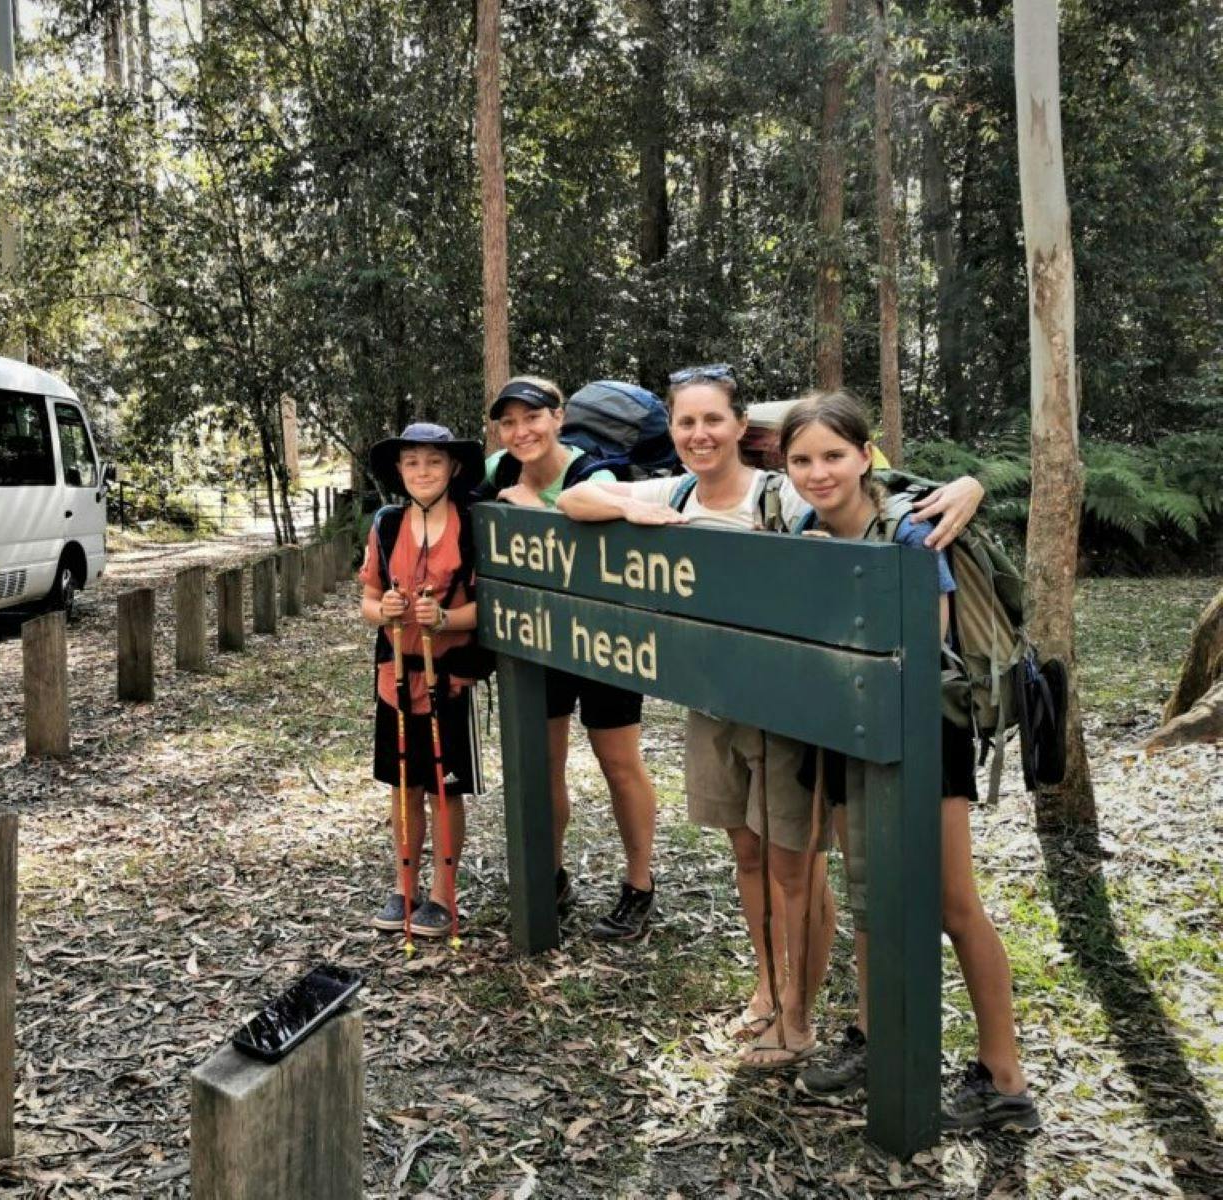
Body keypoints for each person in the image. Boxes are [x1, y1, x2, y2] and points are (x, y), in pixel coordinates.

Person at [555, 364, 988, 1068]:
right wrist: (632, 509)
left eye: (713, 419)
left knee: (797, 869)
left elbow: (875, 484)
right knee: (747, 855)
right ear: (672, 430)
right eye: (686, 422)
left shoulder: (783, 490)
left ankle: (800, 1013)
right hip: (713, 701)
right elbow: (575, 498)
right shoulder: (675, 489)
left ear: (738, 425)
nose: (700, 434)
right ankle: (766, 988)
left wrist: (971, 485)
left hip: (789, 711)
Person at [777, 391, 1039, 1132]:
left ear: (866, 457)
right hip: (842, 727)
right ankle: (873, 1034)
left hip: (925, 732)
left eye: (834, 456)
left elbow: (923, 640)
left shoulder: (910, 528)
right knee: (868, 895)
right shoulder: (799, 526)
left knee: (953, 902)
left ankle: (1005, 1076)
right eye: (803, 459)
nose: (819, 472)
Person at [478, 376, 662, 941]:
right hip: (537, 638)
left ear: (559, 418)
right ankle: (550, 873)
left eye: (531, 417)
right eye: (508, 422)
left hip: (603, 637)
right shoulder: (498, 470)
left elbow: (603, 530)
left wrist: (537, 509)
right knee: (544, 762)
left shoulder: (593, 474)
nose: (520, 431)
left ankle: (639, 884)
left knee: (619, 763)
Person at [358, 423, 484, 939]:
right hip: (396, 676)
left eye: (434, 461)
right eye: (412, 462)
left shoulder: (473, 525)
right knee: (403, 785)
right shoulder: (387, 525)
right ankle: (403, 887)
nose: (423, 471)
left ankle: (443, 895)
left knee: (443, 788)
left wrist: (446, 621)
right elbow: (366, 599)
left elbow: (490, 608)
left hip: (449, 679)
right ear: (399, 470)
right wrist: (380, 609)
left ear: (453, 467)